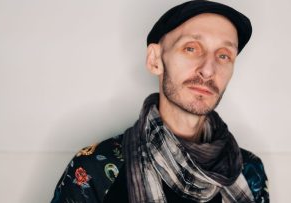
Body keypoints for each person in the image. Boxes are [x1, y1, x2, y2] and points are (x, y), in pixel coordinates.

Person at [51, 1, 269, 202]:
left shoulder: (249, 170)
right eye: (191, 48)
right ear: (155, 60)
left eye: (223, 55)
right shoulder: (94, 169)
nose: (208, 70)